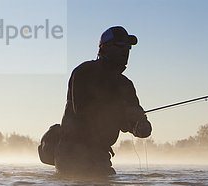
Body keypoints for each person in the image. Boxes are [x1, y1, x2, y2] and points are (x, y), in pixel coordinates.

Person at [53, 26, 152, 175]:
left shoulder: (126, 85)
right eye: (120, 45)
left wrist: (140, 125)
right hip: (71, 153)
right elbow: (82, 110)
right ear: (104, 48)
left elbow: (130, 119)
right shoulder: (84, 72)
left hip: (100, 156)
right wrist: (120, 112)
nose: (125, 50)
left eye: (128, 47)